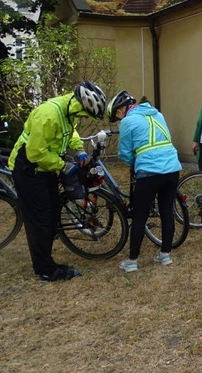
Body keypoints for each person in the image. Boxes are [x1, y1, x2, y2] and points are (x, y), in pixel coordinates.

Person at [9, 80, 107, 282]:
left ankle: (45, 249)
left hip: (46, 168)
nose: (82, 118)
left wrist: (79, 150)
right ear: (78, 105)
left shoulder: (69, 113)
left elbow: (70, 134)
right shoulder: (48, 114)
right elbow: (35, 152)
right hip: (27, 168)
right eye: (83, 114)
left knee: (53, 210)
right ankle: (45, 270)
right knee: (40, 219)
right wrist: (63, 166)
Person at [108, 91, 182, 272]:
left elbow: (125, 153)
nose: (118, 119)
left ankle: (132, 261)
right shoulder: (158, 114)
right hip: (172, 168)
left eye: (116, 115)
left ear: (120, 110)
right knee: (166, 211)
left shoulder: (127, 121)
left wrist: (135, 162)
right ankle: (165, 255)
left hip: (149, 171)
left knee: (140, 215)